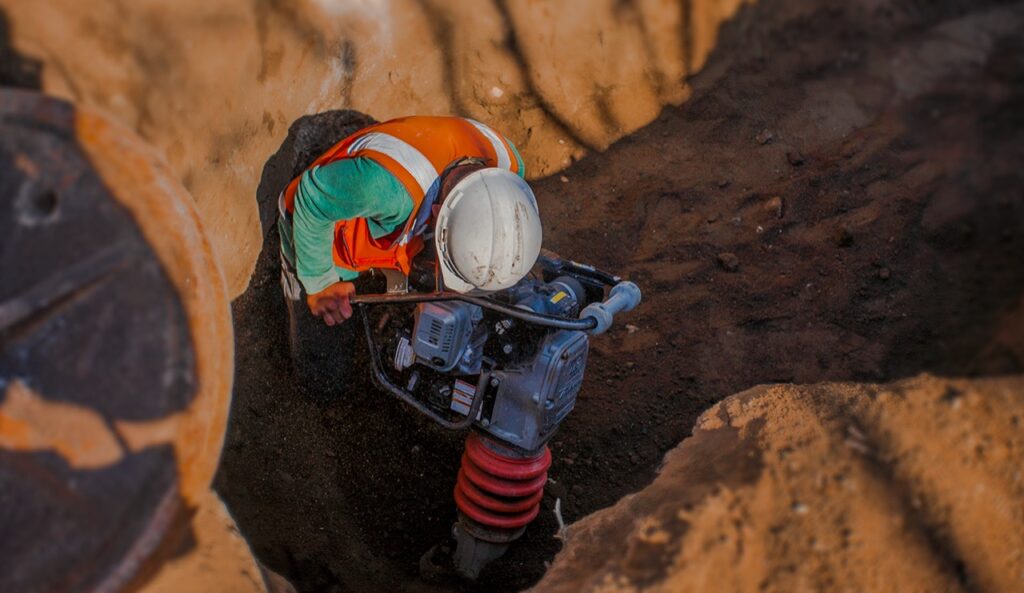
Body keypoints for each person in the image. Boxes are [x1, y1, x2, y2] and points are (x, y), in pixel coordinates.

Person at [275, 115, 543, 393]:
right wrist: (320, 282)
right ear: (439, 214)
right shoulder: (387, 191)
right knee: (324, 336)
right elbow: (311, 197)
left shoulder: (508, 163)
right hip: (314, 222)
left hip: (385, 199)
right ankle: (319, 389)